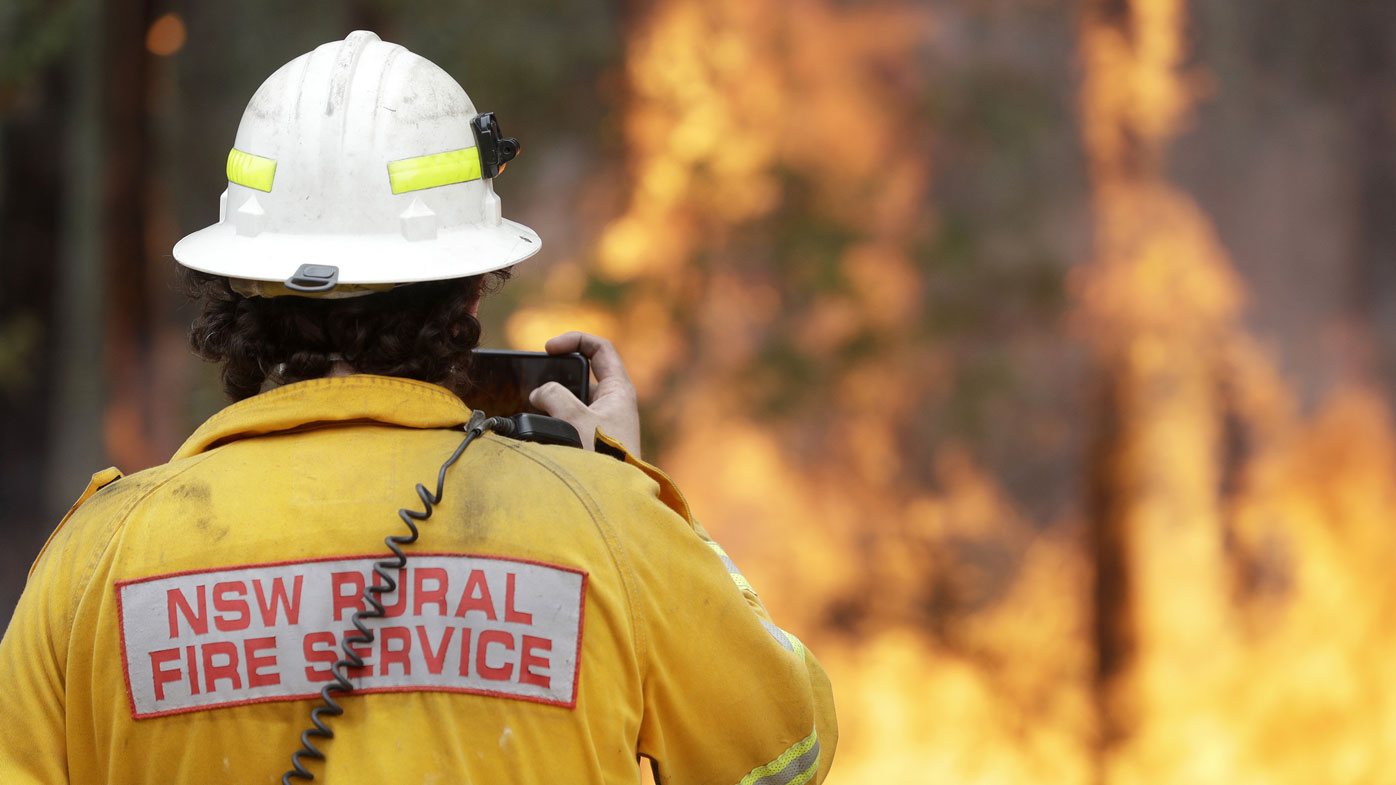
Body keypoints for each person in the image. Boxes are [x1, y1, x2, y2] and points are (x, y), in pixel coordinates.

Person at [0, 31, 836, 785]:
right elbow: (781, 752)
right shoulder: (609, 525)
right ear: (469, 293)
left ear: (238, 291)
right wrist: (635, 494)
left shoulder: (91, 562)